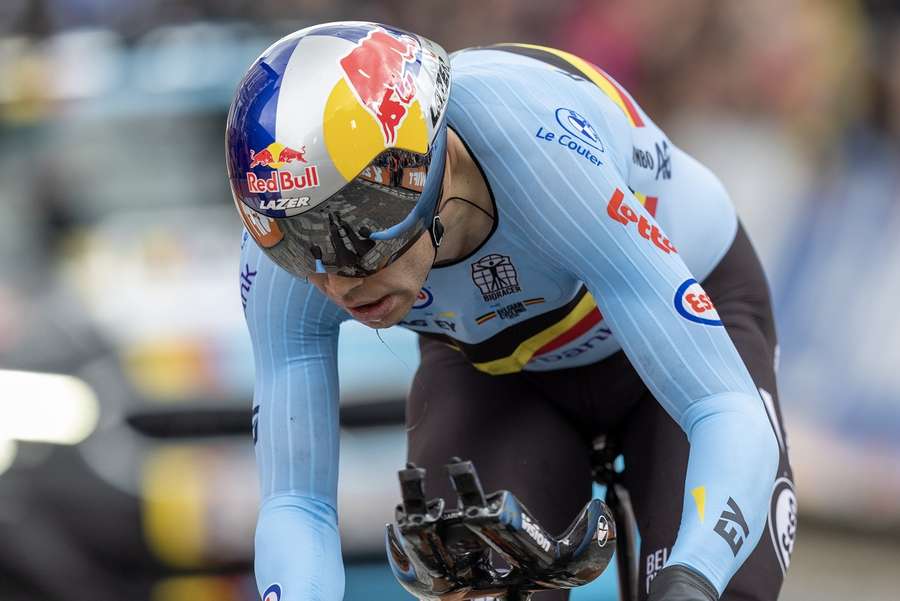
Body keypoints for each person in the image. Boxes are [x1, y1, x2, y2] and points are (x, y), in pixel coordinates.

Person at [226, 21, 796, 601]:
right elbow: (296, 502)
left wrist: (694, 576)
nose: (336, 280)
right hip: (498, 370)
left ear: (423, 167)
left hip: (681, 323)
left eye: (356, 231)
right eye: (295, 246)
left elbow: (723, 407)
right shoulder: (285, 228)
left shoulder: (536, 147)